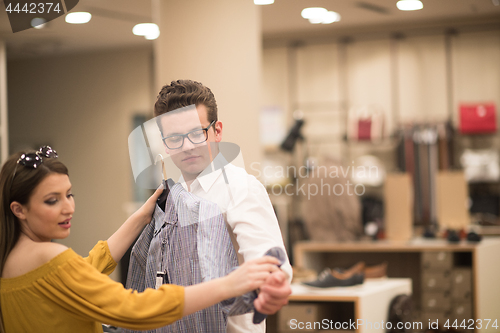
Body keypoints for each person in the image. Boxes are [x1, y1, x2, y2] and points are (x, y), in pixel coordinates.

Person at [0, 147, 282, 333]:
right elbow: (135, 308)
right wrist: (227, 284)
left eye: (69, 194)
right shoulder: (50, 257)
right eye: (52, 201)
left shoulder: (12, 259)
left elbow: (84, 268)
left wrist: (140, 217)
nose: (68, 208)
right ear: (19, 209)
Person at [127, 80, 292, 333]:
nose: (187, 146)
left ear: (217, 131)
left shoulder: (240, 188)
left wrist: (272, 284)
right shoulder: (170, 196)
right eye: (174, 138)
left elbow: (269, 262)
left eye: (197, 133)